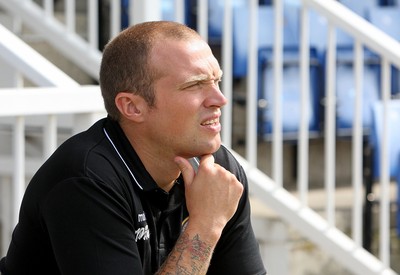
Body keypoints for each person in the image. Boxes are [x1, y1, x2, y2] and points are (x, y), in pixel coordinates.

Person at [0, 21, 266, 275]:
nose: (220, 99)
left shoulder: (218, 172)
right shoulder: (86, 179)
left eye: (216, 80)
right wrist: (206, 226)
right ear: (132, 107)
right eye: (195, 84)